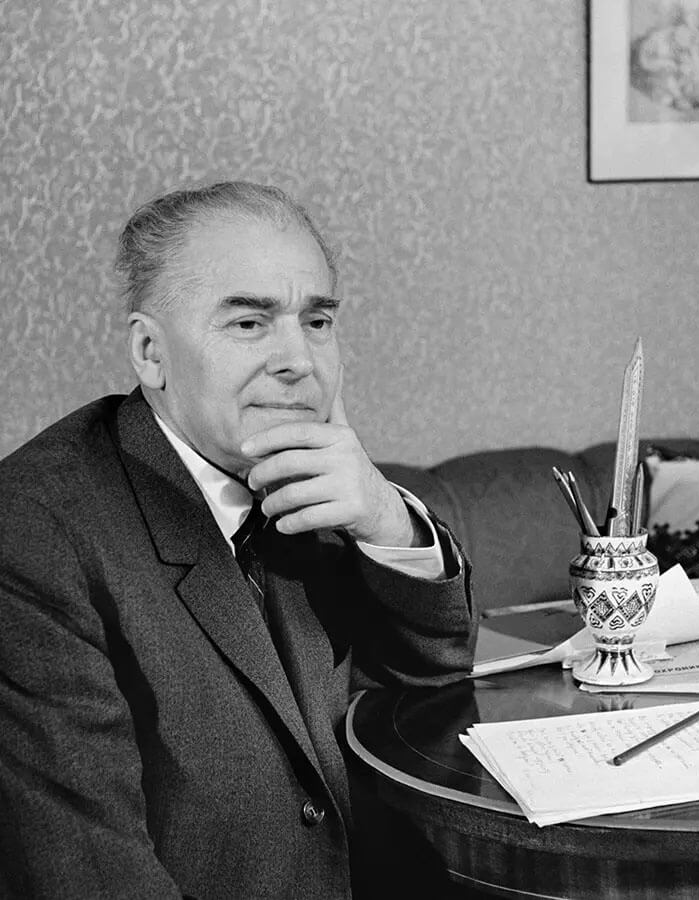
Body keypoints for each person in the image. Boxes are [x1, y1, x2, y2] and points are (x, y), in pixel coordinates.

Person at [0, 180, 476, 899]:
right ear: (151, 353)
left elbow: (429, 698)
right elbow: (94, 874)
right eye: (250, 323)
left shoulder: (314, 474)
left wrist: (385, 517)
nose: (299, 361)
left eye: (316, 321)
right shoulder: (33, 534)